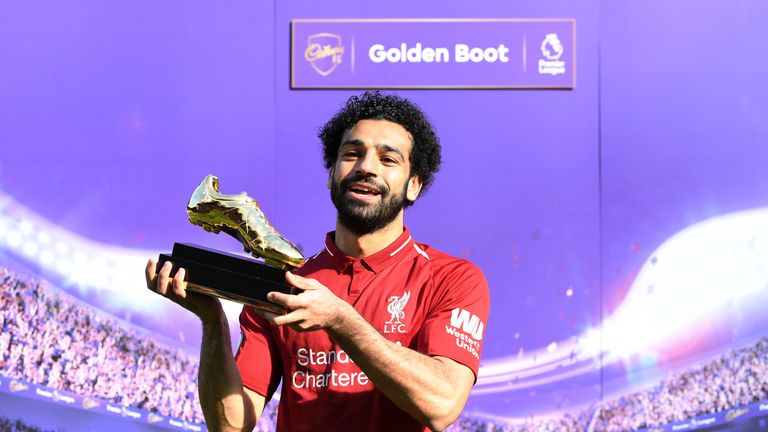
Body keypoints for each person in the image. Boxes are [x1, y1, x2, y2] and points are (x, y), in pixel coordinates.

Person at [146, 91, 490, 432]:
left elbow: (442, 404)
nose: (366, 167)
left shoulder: (453, 279)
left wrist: (340, 320)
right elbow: (230, 426)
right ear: (331, 173)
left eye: (388, 160)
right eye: (352, 154)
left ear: (414, 185)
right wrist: (212, 320)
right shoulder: (287, 282)